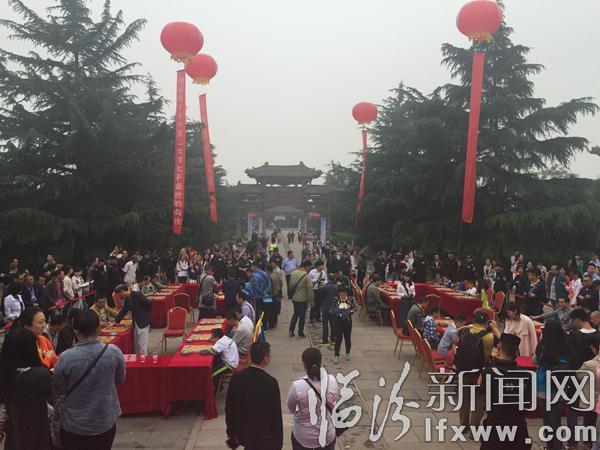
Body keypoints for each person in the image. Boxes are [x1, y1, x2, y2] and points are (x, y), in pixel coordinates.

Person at [54, 310, 126, 450]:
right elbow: (120, 379)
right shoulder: (113, 352)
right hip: (104, 420)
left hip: (74, 423)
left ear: (76, 331)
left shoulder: (66, 357)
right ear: (99, 328)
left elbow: (59, 388)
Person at [0, 327, 53, 450]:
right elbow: (50, 395)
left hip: (15, 431)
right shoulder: (39, 375)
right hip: (37, 429)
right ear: (31, 349)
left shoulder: (5, 374)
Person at [225, 341, 282, 450]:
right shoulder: (270, 382)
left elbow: (229, 408)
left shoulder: (237, 377)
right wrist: (278, 443)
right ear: (265, 358)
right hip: (263, 436)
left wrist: (231, 433)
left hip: (243, 433)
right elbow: (275, 415)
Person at [479, 333, 532, 450]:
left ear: (498, 348)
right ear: (516, 352)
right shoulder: (526, 375)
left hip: (494, 424)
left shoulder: (488, 373)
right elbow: (528, 401)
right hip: (518, 425)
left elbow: (481, 391)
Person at [287, 348, 338, 450]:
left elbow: (291, 407)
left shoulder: (298, 386)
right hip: (327, 435)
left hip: (303, 437)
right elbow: (334, 401)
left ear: (304, 364)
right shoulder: (331, 380)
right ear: (320, 362)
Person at [533, 319, 573, 450]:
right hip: (559, 387)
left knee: (546, 419)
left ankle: (550, 445)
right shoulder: (566, 345)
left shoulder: (543, 346)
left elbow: (535, 361)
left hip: (543, 386)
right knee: (556, 420)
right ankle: (557, 445)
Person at [454, 311, 495, 431]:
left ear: (473, 321)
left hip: (464, 371)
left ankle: (463, 425)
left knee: (464, 400)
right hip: (479, 373)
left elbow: (459, 331)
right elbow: (486, 356)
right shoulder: (488, 336)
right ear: (487, 322)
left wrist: (469, 326)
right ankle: (474, 428)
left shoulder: (463, 332)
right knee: (479, 401)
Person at [114, 284, 152, 355]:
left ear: (122, 291)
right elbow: (124, 310)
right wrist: (116, 321)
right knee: (137, 344)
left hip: (143, 321)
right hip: (136, 323)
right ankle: (138, 359)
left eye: (119, 294)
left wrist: (143, 313)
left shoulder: (137, 294)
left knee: (143, 344)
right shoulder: (127, 299)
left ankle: (143, 359)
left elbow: (148, 304)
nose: (119, 296)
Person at [288, 260, 314, 338]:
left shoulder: (293, 273)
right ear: (306, 266)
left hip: (294, 298)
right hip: (303, 299)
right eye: (309, 267)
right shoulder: (306, 276)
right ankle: (300, 332)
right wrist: (311, 300)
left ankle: (291, 330)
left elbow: (290, 285)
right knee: (302, 316)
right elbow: (309, 289)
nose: (309, 269)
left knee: (295, 314)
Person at [332, 287, 356, 364]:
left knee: (347, 338)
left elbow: (354, 308)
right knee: (338, 339)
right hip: (338, 322)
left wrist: (348, 312)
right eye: (341, 294)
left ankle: (347, 353)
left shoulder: (350, 300)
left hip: (347, 322)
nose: (342, 295)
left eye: (344, 294)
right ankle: (336, 355)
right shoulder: (336, 300)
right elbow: (333, 309)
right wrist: (338, 312)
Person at [320, 273, 339, 346]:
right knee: (333, 324)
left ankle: (325, 339)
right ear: (334, 279)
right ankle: (333, 338)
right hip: (333, 307)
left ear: (328, 279)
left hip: (325, 307)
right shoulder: (336, 287)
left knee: (325, 324)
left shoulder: (324, 287)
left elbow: (321, 297)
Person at [268, 262, 282, 327]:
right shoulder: (276, 275)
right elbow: (281, 283)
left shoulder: (270, 277)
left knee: (271, 310)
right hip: (277, 293)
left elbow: (269, 288)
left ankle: (271, 324)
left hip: (271, 295)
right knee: (275, 310)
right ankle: (275, 322)